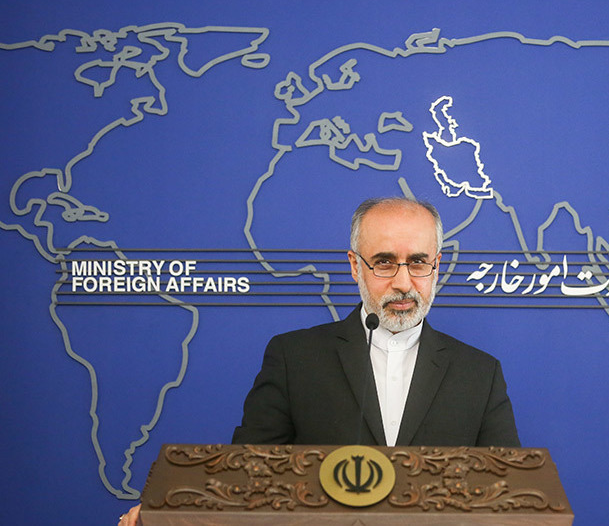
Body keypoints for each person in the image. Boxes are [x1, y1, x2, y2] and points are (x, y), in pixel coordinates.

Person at [119, 196, 519, 525]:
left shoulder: (480, 373)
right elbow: (244, 479)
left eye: (417, 262)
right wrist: (166, 515)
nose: (402, 282)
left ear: (437, 267)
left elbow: (509, 496)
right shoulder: (294, 358)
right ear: (354, 266)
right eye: (383, 261)